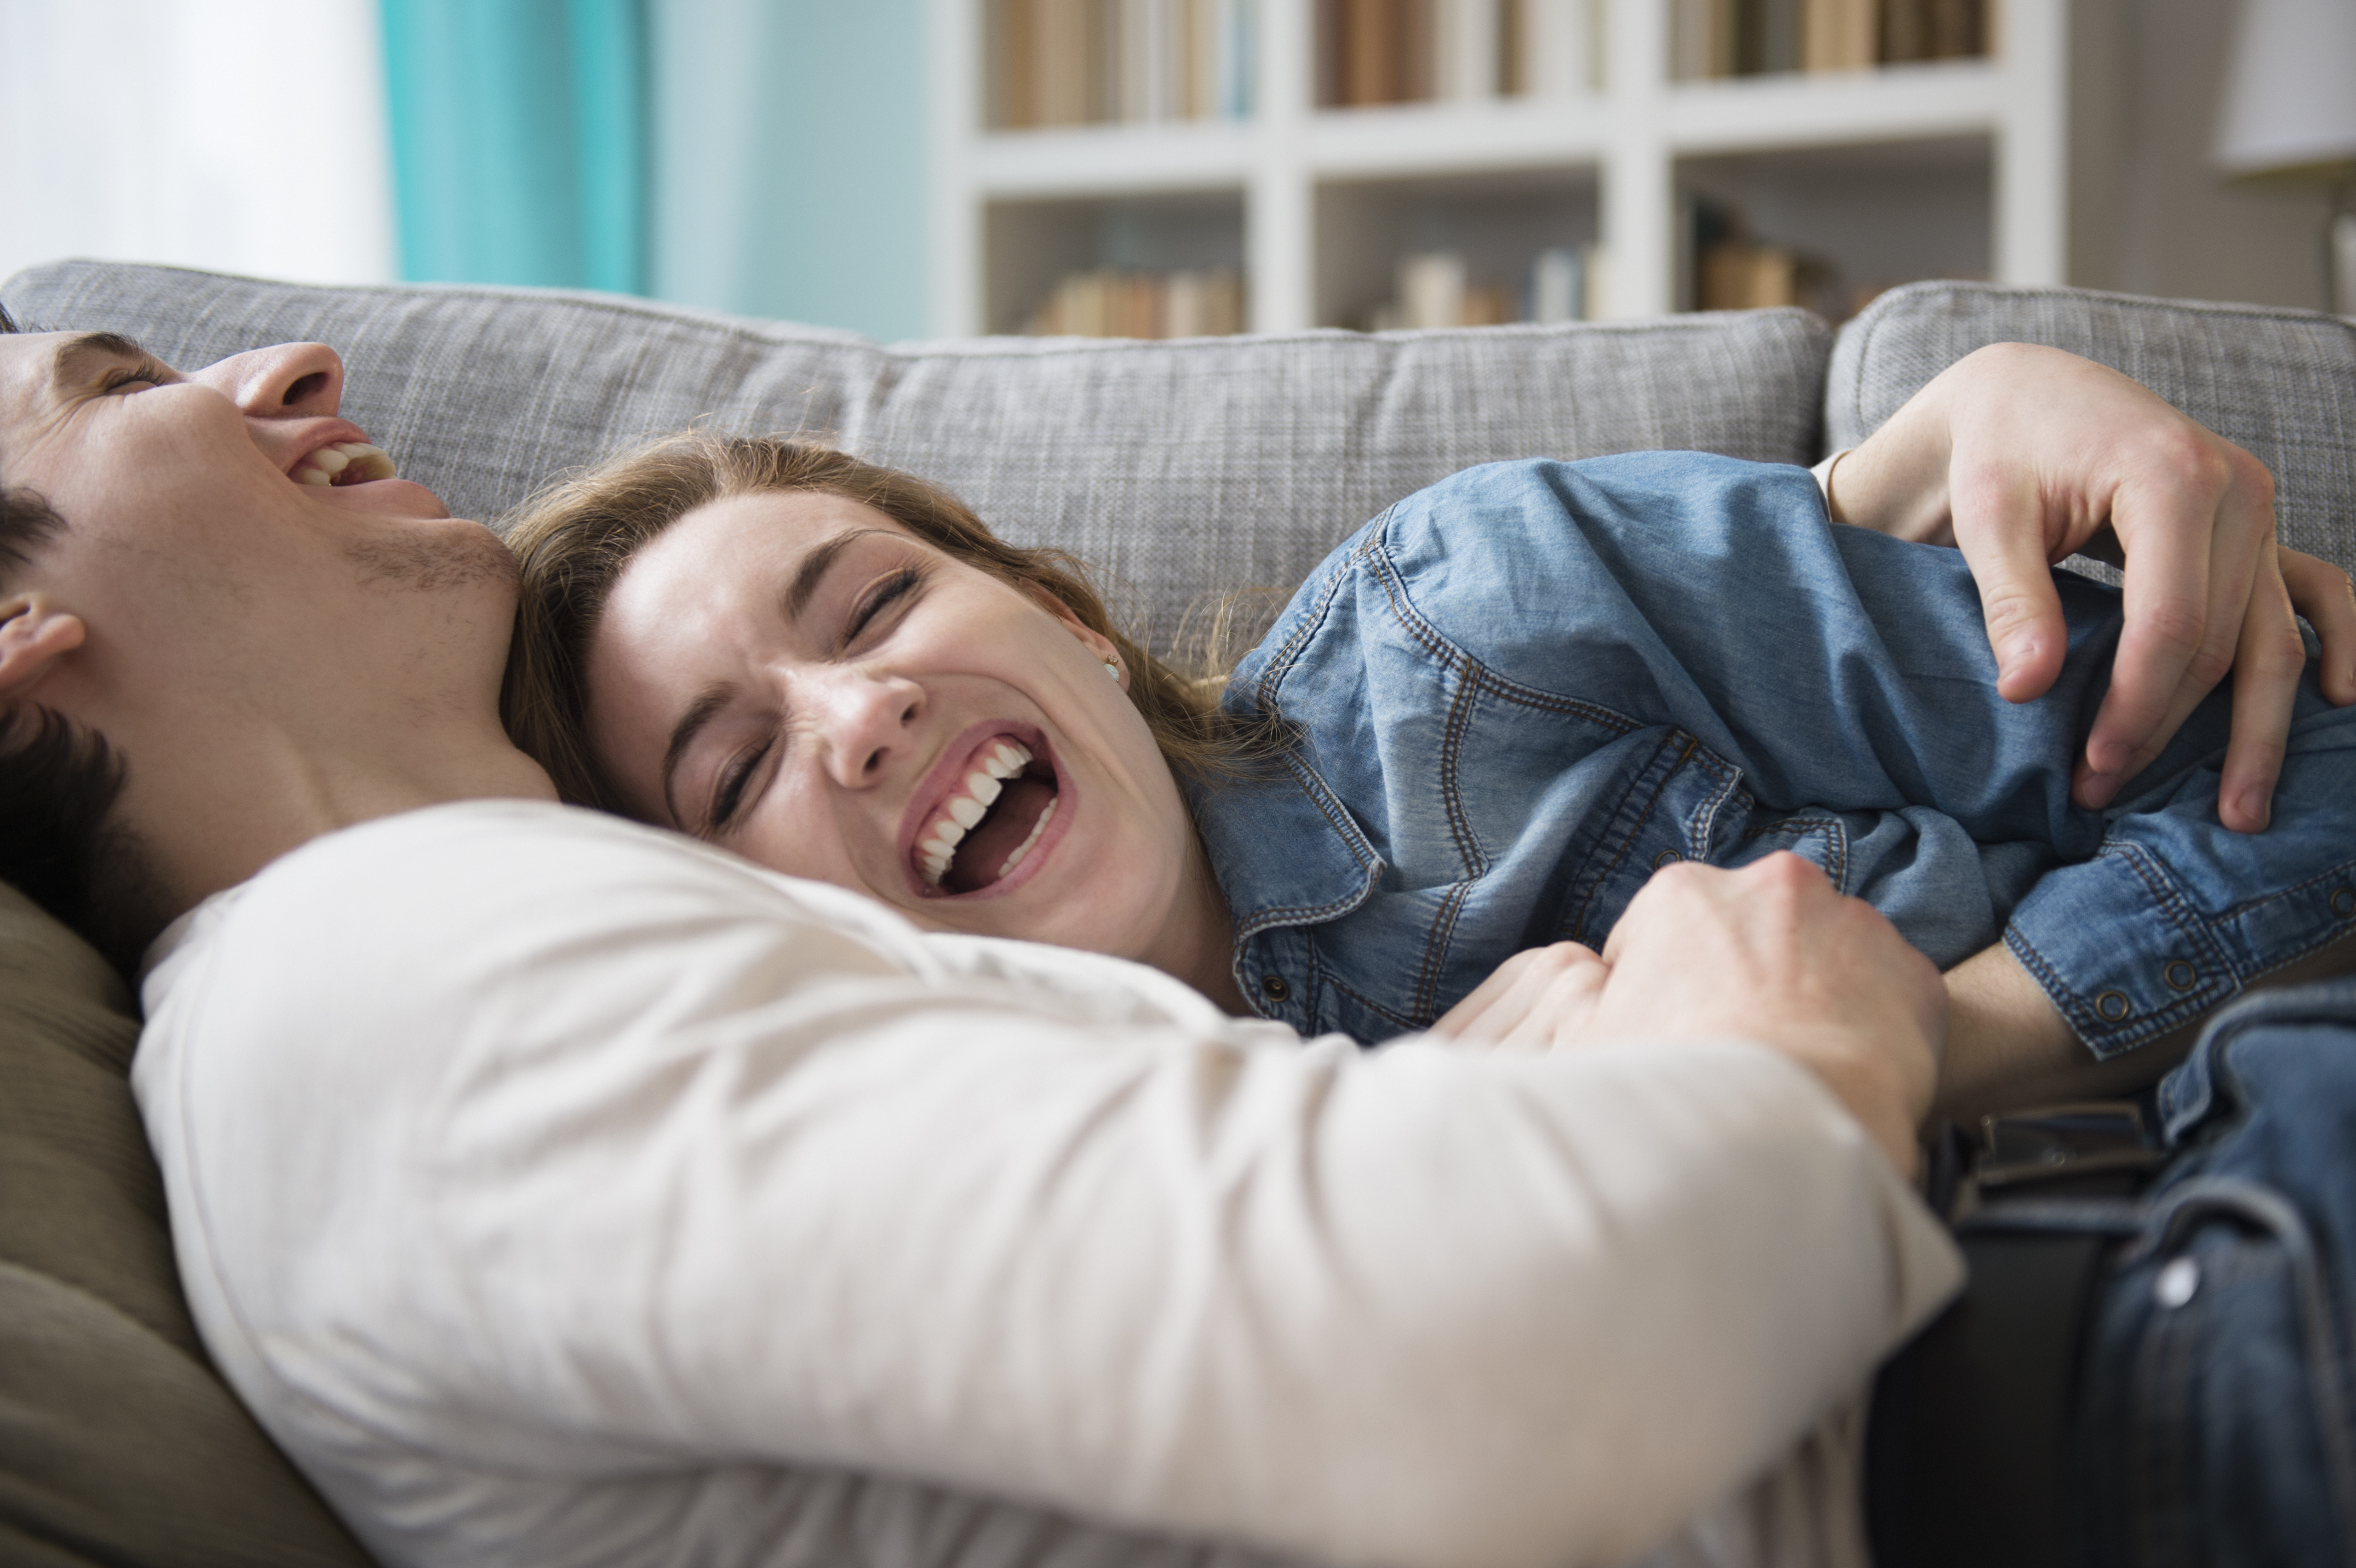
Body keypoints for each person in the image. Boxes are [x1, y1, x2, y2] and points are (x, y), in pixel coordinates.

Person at [0, 303, 2326, 1568]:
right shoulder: (381, 1001)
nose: (280, 369)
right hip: (2102, 1376)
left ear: (1079, 622)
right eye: (121, 394)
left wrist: (1884, 477)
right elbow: (1497, 1353)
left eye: (883, 599)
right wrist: (1815, 1041)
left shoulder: (491, 943)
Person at [500, 346, 2356, 1123]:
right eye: (733, 770)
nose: (861, 712)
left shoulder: (1481, 620)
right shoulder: (985, 1227)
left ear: (1061, 615)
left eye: (879, 605)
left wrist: (1914, 1041)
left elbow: (2319, 763)